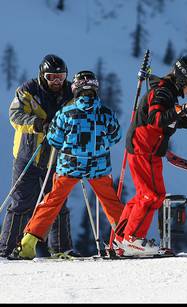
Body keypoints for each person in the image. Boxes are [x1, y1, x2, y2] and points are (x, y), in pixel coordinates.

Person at [11, 71, 126, 260]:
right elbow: (116, 136)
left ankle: (28, 244)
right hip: (98, 167)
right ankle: (127, 239)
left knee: (52, 201)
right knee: (110, 202)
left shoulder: (65, 113)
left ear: (75, 90)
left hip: (69, 166)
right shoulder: (106, 113)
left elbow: (54, 139)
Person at [114, 55, 187, 256]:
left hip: (147, 148)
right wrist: (182, 110)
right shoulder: (162, 92)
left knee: (144, 195)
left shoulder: (168, 92)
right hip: (144, 148)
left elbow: (169, 121)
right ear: (183, 79)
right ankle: (132, 240)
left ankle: (122, 238)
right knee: (153, 195)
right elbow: (156, 118)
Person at [0, 54, 75, 258]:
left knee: (56, 203)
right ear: (42, 75)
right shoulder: (28, 90)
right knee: (21, 203)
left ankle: (61, 249)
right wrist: (38, 124)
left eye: (60, 77)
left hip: (57, 157)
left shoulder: (71, 92)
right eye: (51, 77)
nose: (56, 82)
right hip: (29, 154)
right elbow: (15, 115)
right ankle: (6, 248)